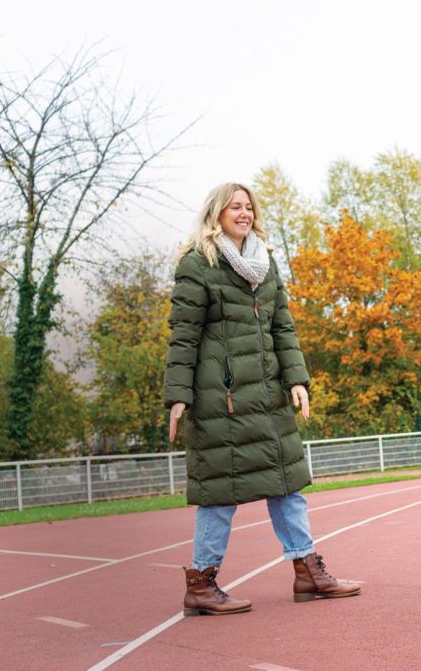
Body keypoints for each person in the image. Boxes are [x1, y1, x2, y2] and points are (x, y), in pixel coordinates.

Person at [164, 182, 360, 616]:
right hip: (221, 401)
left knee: (288, 484)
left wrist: (297, 379)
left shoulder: (265, 262)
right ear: (217, 212)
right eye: (235, 206)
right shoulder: (197, 264)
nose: (244, 212)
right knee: (219, 493)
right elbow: (183, 337)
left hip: (269, 397)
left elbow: (283, 328)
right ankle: (201, 582)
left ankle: (307, 570)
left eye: (249, 206)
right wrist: (178, 396)